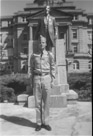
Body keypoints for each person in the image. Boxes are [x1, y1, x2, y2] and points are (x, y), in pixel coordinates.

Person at [30, 35, 55, 131]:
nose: (41, 44)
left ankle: (46, 122)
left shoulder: (49, 55)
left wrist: (52, 79)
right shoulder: (33, 55)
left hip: (47, 78)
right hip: (37, 78)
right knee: (38, 103)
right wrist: (31, 80)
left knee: (47, 102)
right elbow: (31, 68)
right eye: (40, 42)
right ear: (38, 44)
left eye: (43, 42)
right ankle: (39, 123)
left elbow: (53, 67)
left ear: (46, 44)